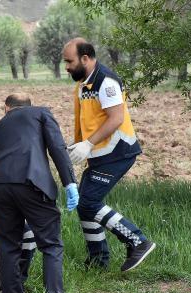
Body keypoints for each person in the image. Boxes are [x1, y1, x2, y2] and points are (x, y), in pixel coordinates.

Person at [62, 38, 156, 272]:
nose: (66, 67)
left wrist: (88, 144)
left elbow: (116, 118)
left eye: (69, 61)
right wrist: (78, 146)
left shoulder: (106, 81)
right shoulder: (83, 85)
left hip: (118, 152)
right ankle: (98, 261)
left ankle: (138, 242)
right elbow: (87, 122)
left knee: (89, 202)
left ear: (85, 58)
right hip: (99, 154)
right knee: (84, 206)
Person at [0, 93, 79, 293]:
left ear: (6, 108)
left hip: (2, 189)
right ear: (30, 105)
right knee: (51, 244)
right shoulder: (41, 114)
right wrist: (69, 183)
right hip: (33, 184)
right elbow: (57, 147)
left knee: (8, 248)